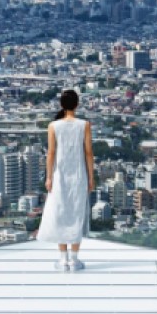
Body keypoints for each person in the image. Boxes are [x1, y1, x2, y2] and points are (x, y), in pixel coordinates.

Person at [36, 89, 95, 271]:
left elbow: (51, 153)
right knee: (76, 213)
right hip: (79, 175)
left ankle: (63, 259)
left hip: (59, 175)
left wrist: (48, 177)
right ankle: (75, 259)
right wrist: (91, 177)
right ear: (77, 104)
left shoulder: (54, 126)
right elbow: (88, 153)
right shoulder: (84, 125)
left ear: (62, 105)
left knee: (61, 214)